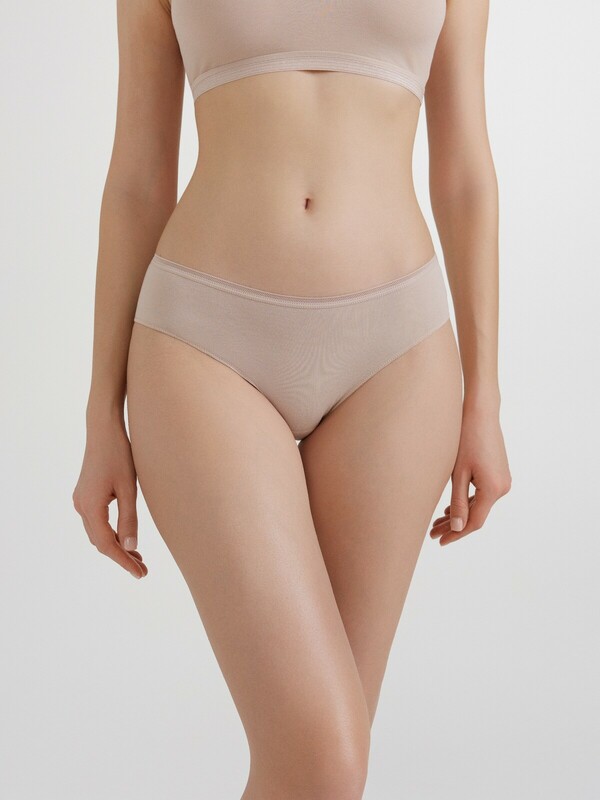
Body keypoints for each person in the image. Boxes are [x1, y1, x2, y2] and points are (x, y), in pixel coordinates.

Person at [73, 0, 512, 797]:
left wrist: (485, 397)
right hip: (205, 342)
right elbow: (139, 175)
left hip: (397, 356)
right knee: (323, 756)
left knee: (322, 772)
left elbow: (465, 173)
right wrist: (102, 411)